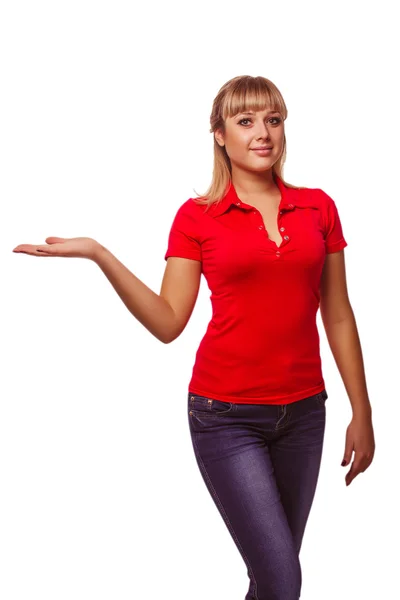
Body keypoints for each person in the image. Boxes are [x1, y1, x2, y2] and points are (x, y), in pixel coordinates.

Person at [12, 75, 375, 600]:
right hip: (225, 416)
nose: (262, 133)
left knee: (273, 580)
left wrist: (361, 410)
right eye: (245, 121)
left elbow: (338, 313)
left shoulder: (318, 207)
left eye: (273, 120)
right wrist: (100, 254)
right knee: (282, 579)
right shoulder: (196, 218)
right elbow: (166, 322)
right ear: (219, 134)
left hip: (304, 415)